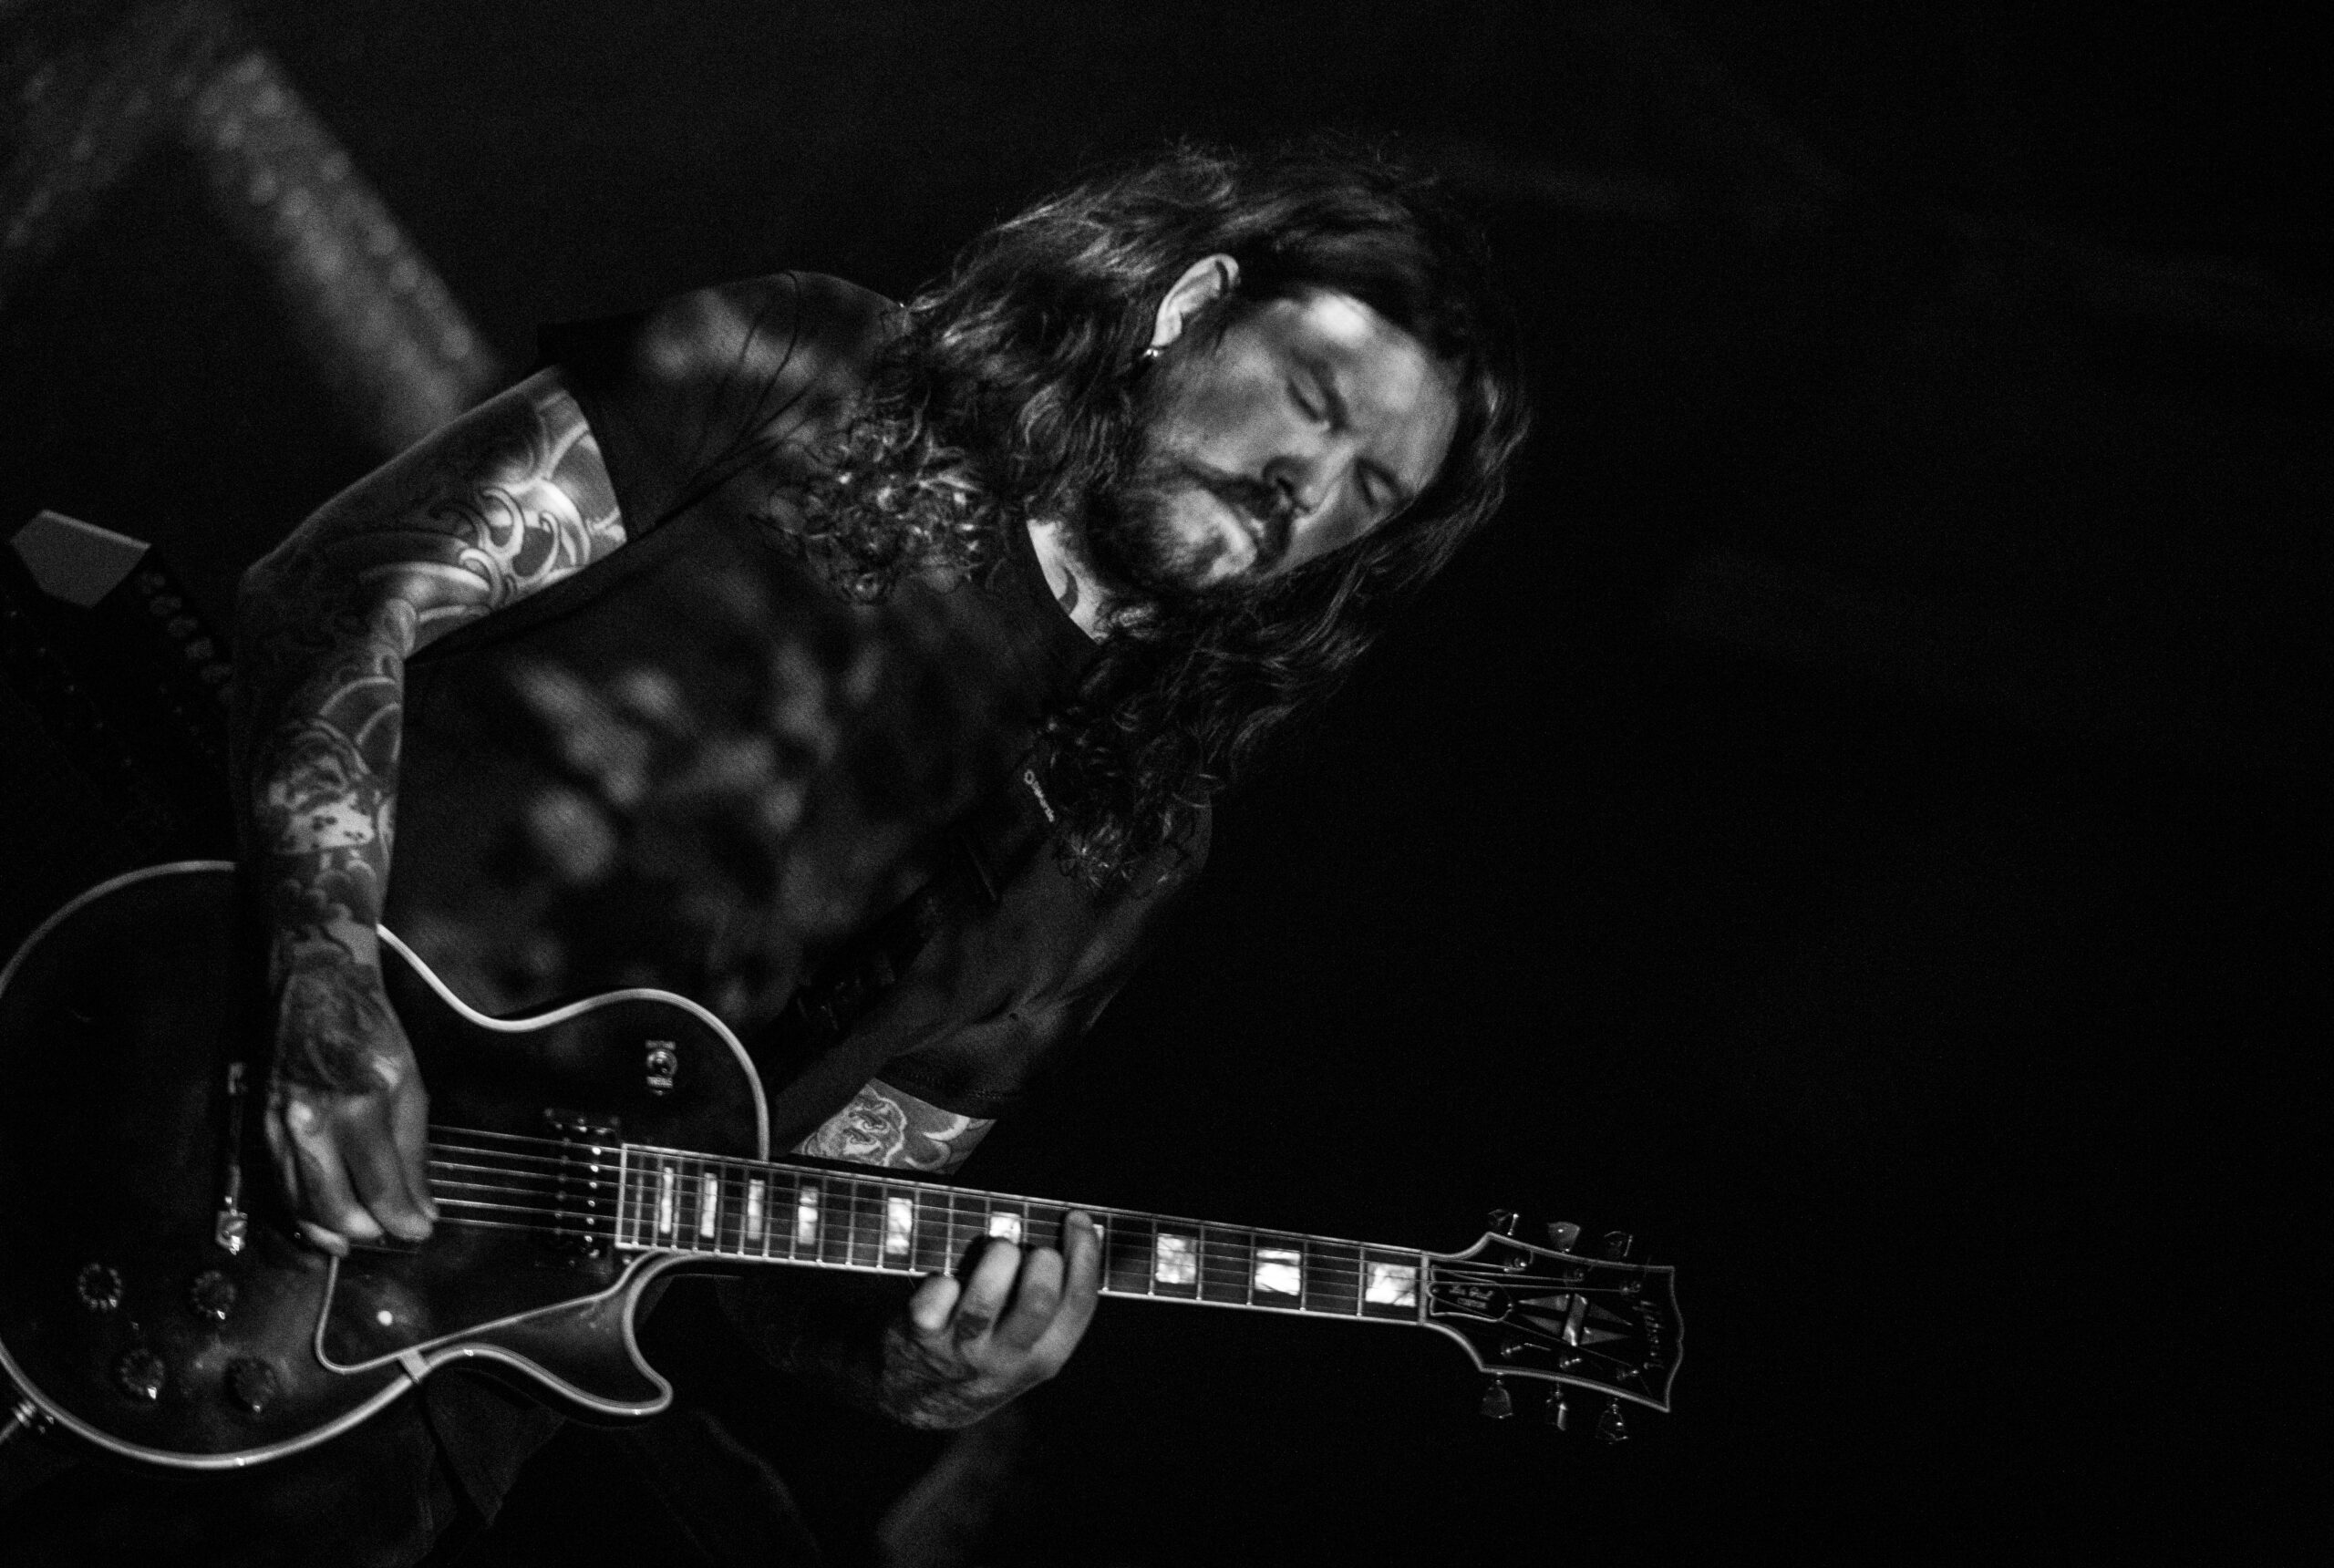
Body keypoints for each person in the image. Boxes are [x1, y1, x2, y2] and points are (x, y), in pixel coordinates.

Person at [0, 138, 1527, 1564]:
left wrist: (917, 1371)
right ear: (1190, 309)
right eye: (1313, 401)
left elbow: (782, 1228)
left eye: (1370, 493)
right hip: (147, 1088)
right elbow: (343, 590)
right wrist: (324, 979)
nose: (1306, 490)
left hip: (389, 1440)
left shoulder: (1131, 843)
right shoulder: (809, 369)